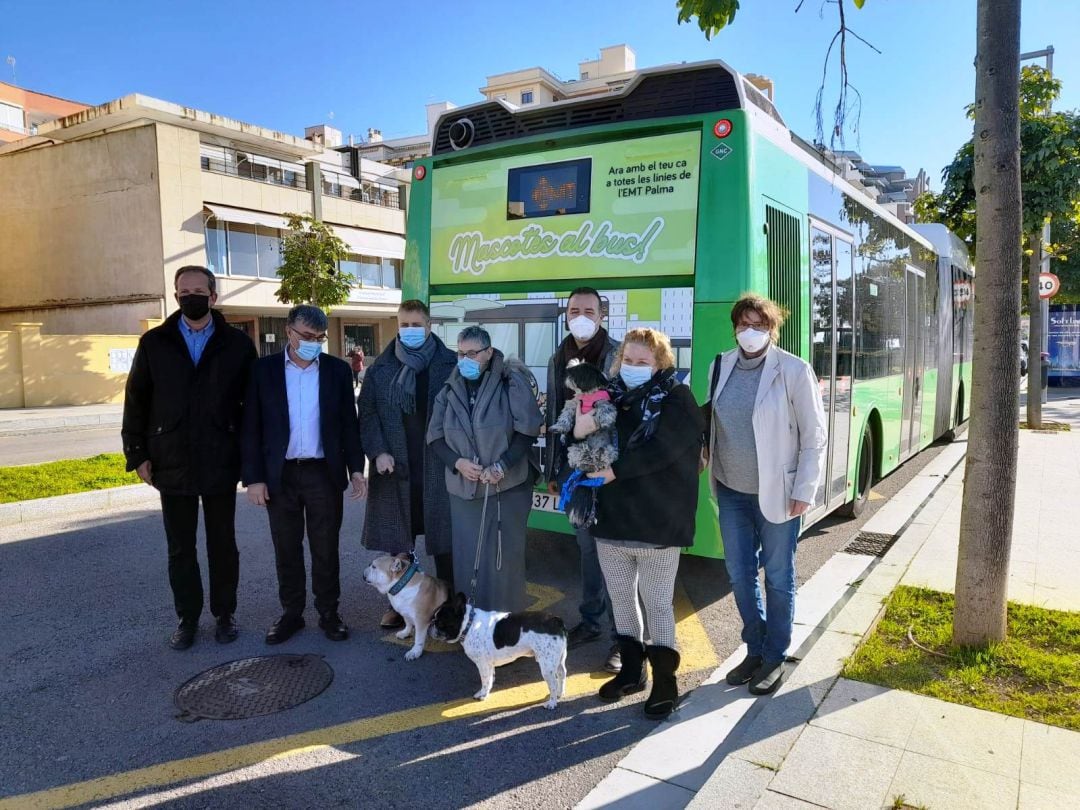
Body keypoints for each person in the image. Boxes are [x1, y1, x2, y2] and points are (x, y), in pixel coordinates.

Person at [122, 265, 257, 650]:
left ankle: (225, 613)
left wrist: (250, 459)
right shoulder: (155, 343)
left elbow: (251, 408)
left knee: (222, 543)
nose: (190, 297)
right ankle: (187, 617)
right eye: (184, 291)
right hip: (171, 459)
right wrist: (137, 453)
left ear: (213, 297)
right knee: (180, 547)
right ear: (176, 295)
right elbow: (137, 400)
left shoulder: (237, 344)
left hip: (220, 457)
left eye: (199, 290)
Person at [707, 293, 826, 695]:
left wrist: (805, 489)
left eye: (759, 325)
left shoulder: (793, 370)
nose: (750, 332)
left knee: (778, 577)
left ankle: (776, 655)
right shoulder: (720, 365)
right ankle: (755, 649)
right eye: (743, 324)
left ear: (773, 329)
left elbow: (814, 437)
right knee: (739, 575)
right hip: (730, 490)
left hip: (778, 492)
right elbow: (713, 422)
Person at [582, 328, 704, 720]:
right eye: (628, 361)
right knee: (621, 599)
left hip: (658, 522)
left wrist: (616, 470)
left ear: (660, 364)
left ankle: (666, 684)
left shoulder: (678, 399)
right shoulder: (608, 397)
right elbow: (586, 438)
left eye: (642, 362)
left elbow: (662, 451)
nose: (633, 368)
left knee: (657, 603)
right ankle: (633, 672)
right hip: (612, 520)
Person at [242, 305, 367, 645]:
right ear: (289, 332)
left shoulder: (336, 372)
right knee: (286, 548)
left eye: (319, 338)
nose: (313, 343)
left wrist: (357, 469)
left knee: (325, 548)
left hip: (322, 474)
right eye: (307, 336)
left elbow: (348, 426)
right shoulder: (263, 371)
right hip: (280, 475)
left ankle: (329, 613)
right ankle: (291, 614)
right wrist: (253, 478)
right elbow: (251, 427)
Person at [427, 326, 544, 613]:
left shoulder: (511, 381)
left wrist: (502, 465)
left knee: (503, 560)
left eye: (472, 353)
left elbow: (527, 430)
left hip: (508, 487)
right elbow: (435, 437)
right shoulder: (449, 387)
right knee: (468, 558)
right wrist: (458, 463)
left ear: (489, 352)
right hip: (464, 489)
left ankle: (505, 625)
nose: (465, 359)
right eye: (461, 353)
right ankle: (472, 622)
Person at [358, 300, 457, 629]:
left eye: (416, 324)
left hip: (436, 464)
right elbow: (368, 416)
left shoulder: (450, 364)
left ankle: (449, 605)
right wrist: (378, 451)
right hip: (395, 466)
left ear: (429, 326)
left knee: (445, 542)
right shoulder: (380, 369)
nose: (410, 330)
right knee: (398, 543)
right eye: (404, 324)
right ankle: (399, 606)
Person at [544, 287, 622, 672]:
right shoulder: (557, 357)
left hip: (610, 470)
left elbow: (626, 412)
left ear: (602, 315)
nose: (581, 316)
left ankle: (622, 638)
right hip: (574, 470)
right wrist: (553, 471)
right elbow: (555, 416)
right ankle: (591, 622)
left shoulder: (619, 355)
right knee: (588, 550)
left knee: (619, 553)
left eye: (588, 310)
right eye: (574, 310)